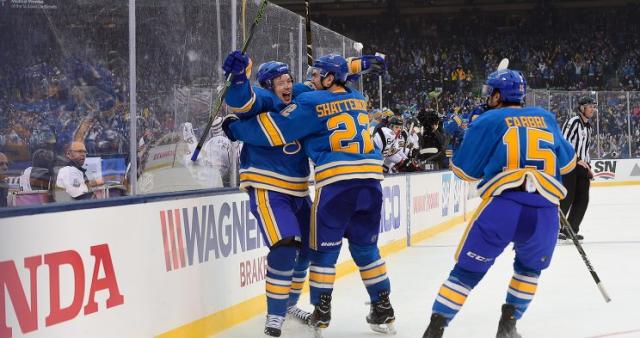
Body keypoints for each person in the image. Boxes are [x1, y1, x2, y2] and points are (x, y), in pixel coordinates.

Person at [223, 54, 396, 336]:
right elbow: (245, 101)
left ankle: (315, 309)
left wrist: (235, 129)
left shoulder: (309, 99)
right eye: (281, 81)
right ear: (267, 85)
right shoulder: (354, 97)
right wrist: (240, 79)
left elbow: (278, 128)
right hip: (352, 181)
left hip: (324, 184)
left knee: (316, 251)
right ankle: (380, 307)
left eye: (292, 79)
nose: (294, 83)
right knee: (296, 247)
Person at [422, 69, 576, 338]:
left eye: (489, 92)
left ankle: (435, 329)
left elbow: (465, 171)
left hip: (503, 207)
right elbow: (568, 163)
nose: (486, 97)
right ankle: (509, 324)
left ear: (498, 95)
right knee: (530, 270)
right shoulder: (546, 117)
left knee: (466, 273)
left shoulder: (488, 119)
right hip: (545, 209)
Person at [559, 96, 595, 241]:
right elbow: (564, 142)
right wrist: (578, 160)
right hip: (570, 165)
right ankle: (556, 228)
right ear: (581, 108)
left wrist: (588, 166)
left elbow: (585, 149)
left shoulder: (589, 127)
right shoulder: (573, 122)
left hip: (582, 167)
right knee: (567, 197)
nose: (592, 109)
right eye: (589, 106)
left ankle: (571, 229)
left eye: (593, 106)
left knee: (583, 199)